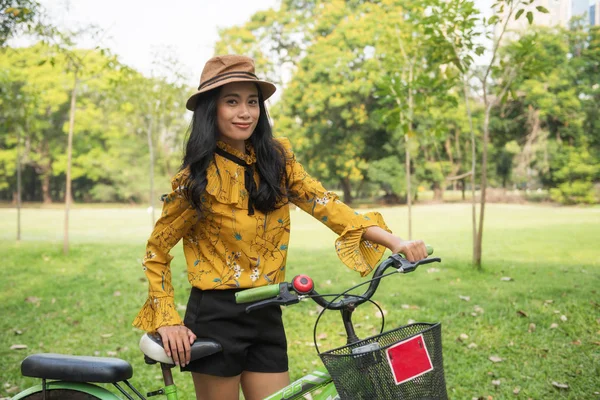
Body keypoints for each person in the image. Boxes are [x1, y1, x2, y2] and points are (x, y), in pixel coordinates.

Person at [133, 54, 429, 400]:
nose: (245, 112)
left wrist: (394, 241)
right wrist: (166, 317)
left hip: (267, 311)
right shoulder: (194, 180)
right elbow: (156, 250)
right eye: (232, 101)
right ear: (210, 109)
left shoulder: (278, 161)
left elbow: (326, 204)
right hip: (216, 315)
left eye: (252, 102)